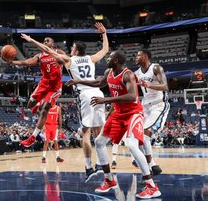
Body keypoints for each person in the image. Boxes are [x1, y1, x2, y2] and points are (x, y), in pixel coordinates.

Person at [66, 50, 161, 199]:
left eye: (110, 57)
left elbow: (131, 96)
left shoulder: (128, 74)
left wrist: (106, 100)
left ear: (116, 60)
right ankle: (109, 180)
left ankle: (152, 186)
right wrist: (78, 81)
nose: (107, 59)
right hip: (118, 113)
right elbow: (98, 83)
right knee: (99, 141)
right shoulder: (109, 71)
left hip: (133, 113)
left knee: (131, 145)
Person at [21, 22, 108, 182]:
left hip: (86, 95)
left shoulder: (70, 60)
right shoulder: (91, 58)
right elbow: (105, 50)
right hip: (99, 93)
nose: (71, 49)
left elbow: (47, 50)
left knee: (86, 133)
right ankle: (103, 165)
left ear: (75, 50)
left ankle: (89, 167)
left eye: (72, 48)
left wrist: (31, 40)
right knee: (98, 133)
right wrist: (104, 34)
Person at [9, 37, 65, 147]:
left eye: (48, 40)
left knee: (45, 110)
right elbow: (27, 62)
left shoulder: (58, 52)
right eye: (44, 41)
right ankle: (38, 102)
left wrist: (61, 62)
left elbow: (68, 61)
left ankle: (33, 137)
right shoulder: (40, 56)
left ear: (53, 44)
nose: (45, 41)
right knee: (30, 105)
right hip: (43, 84)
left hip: (55, 87)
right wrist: (12, 62)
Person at [135, 48, 169, 178]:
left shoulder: (156, 68)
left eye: (138, 55)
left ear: (145, 56)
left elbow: (165, 86)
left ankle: (150, 165)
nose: (136, 58)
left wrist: (149, 85)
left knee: (144, 134)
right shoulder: (137, 72)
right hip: (145, 106)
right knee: (137, 136)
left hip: (158, 105)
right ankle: (152, 166)